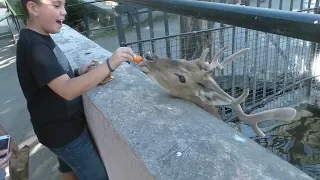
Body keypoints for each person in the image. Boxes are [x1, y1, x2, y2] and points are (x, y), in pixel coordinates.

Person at [16, 0, 137, 179]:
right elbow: (67, 90)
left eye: (64, 5)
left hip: (55, 129)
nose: (64, 11)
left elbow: (51, 78)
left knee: (68, 170)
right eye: (56, 6)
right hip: (65, 134)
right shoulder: (35, 46)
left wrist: (78, 72)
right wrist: (110, 63)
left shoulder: (39, 37)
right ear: (33, 8)